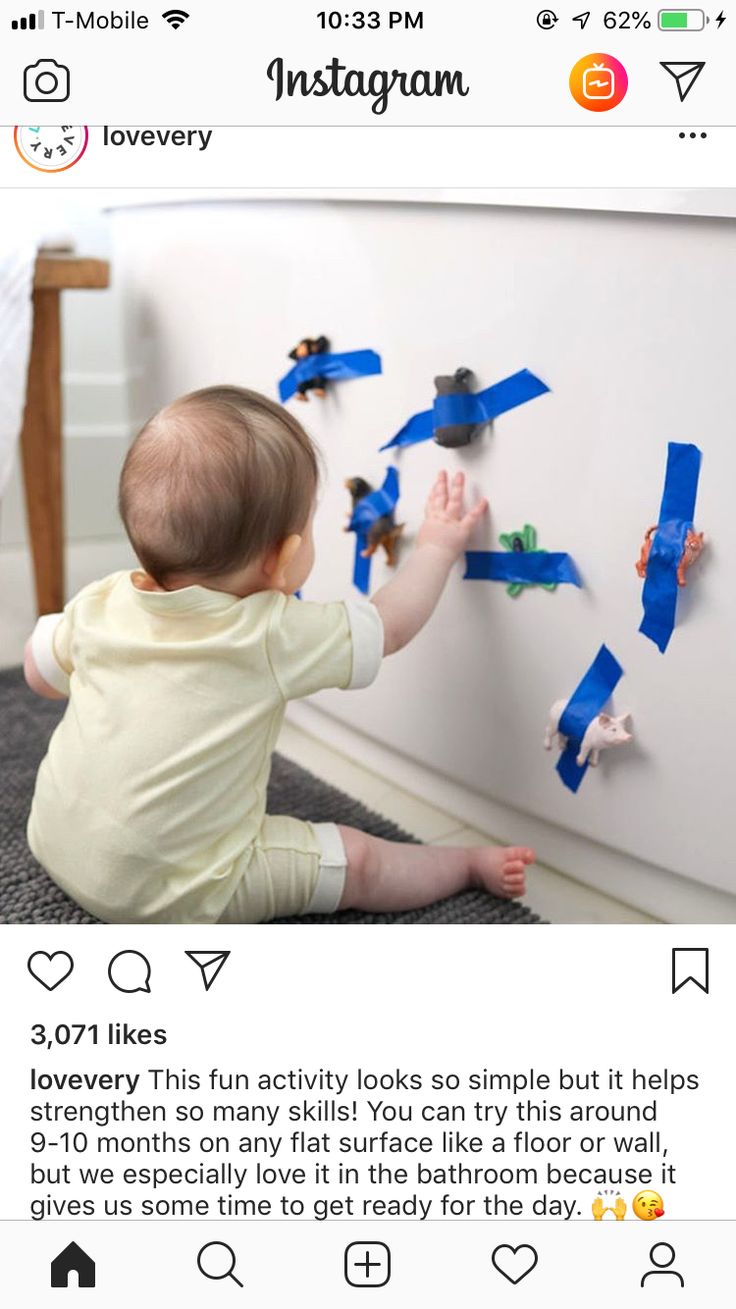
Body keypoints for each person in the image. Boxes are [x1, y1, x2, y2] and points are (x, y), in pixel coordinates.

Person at [24, 385, 535, 924]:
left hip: (54, 836)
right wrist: (435, 547)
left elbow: (38, 675)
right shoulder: (267, 632)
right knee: (357, 862)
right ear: (285, 557)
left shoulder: (102, 599)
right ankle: (465, 866)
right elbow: (388, 628)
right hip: (175, 896)